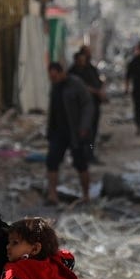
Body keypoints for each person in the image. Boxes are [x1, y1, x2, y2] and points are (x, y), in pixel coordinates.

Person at [46, 62, 94, 207]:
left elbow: (88, 105)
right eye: (51, 77)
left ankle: (86, 195)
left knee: (81, 164)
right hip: (58, 133)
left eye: (55, 76)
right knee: (52, 161)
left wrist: (84, 126)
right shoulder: (55, 87)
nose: (53, 80)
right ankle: (52, 194)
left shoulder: (76, 84)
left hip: (75, 132)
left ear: (62, 73)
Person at [68, 48, 107, 160]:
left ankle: (90, 153)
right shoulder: (73, 72)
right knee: (84, 132)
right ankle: (82, 153)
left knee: (93, 132)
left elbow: (99, 82)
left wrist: (101, 91)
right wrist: (96, 91)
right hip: (81, 108)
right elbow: (82, 87)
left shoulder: (90, 69)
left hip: (94, 105)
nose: (83, 62)